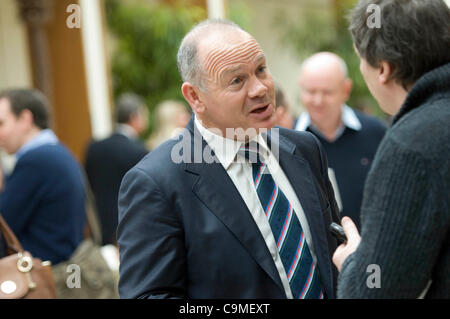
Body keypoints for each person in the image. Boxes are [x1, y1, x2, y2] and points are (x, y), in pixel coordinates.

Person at [117, 19, 340, 299]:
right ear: (195, 97)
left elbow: (333, 258)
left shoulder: (304, 148)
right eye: (237, 80)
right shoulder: (156, 183)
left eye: (261, 69)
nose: (260, 88)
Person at [333, 0, 450, 298]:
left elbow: (376, 291)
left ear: (383, 69)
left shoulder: (413, 144)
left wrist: (352, 263)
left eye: (362, 60)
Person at [295, 52, 386, 230]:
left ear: (346, 89)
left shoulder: (376, 133)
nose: (318, 100)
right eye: (310, 91)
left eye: (327, 92)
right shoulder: (288, 142)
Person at [0, 89, 86, 265]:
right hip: (66, 271)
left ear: (25, 119)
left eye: (1, 123)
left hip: (47, 278)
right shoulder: (57, 152)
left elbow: (5, 225)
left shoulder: (35, 161)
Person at [84, 93, 148, 246]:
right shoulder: (139, 150)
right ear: (134, 117)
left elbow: (89, 183)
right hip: (132, 225)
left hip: (101, 224)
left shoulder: (94, 147)